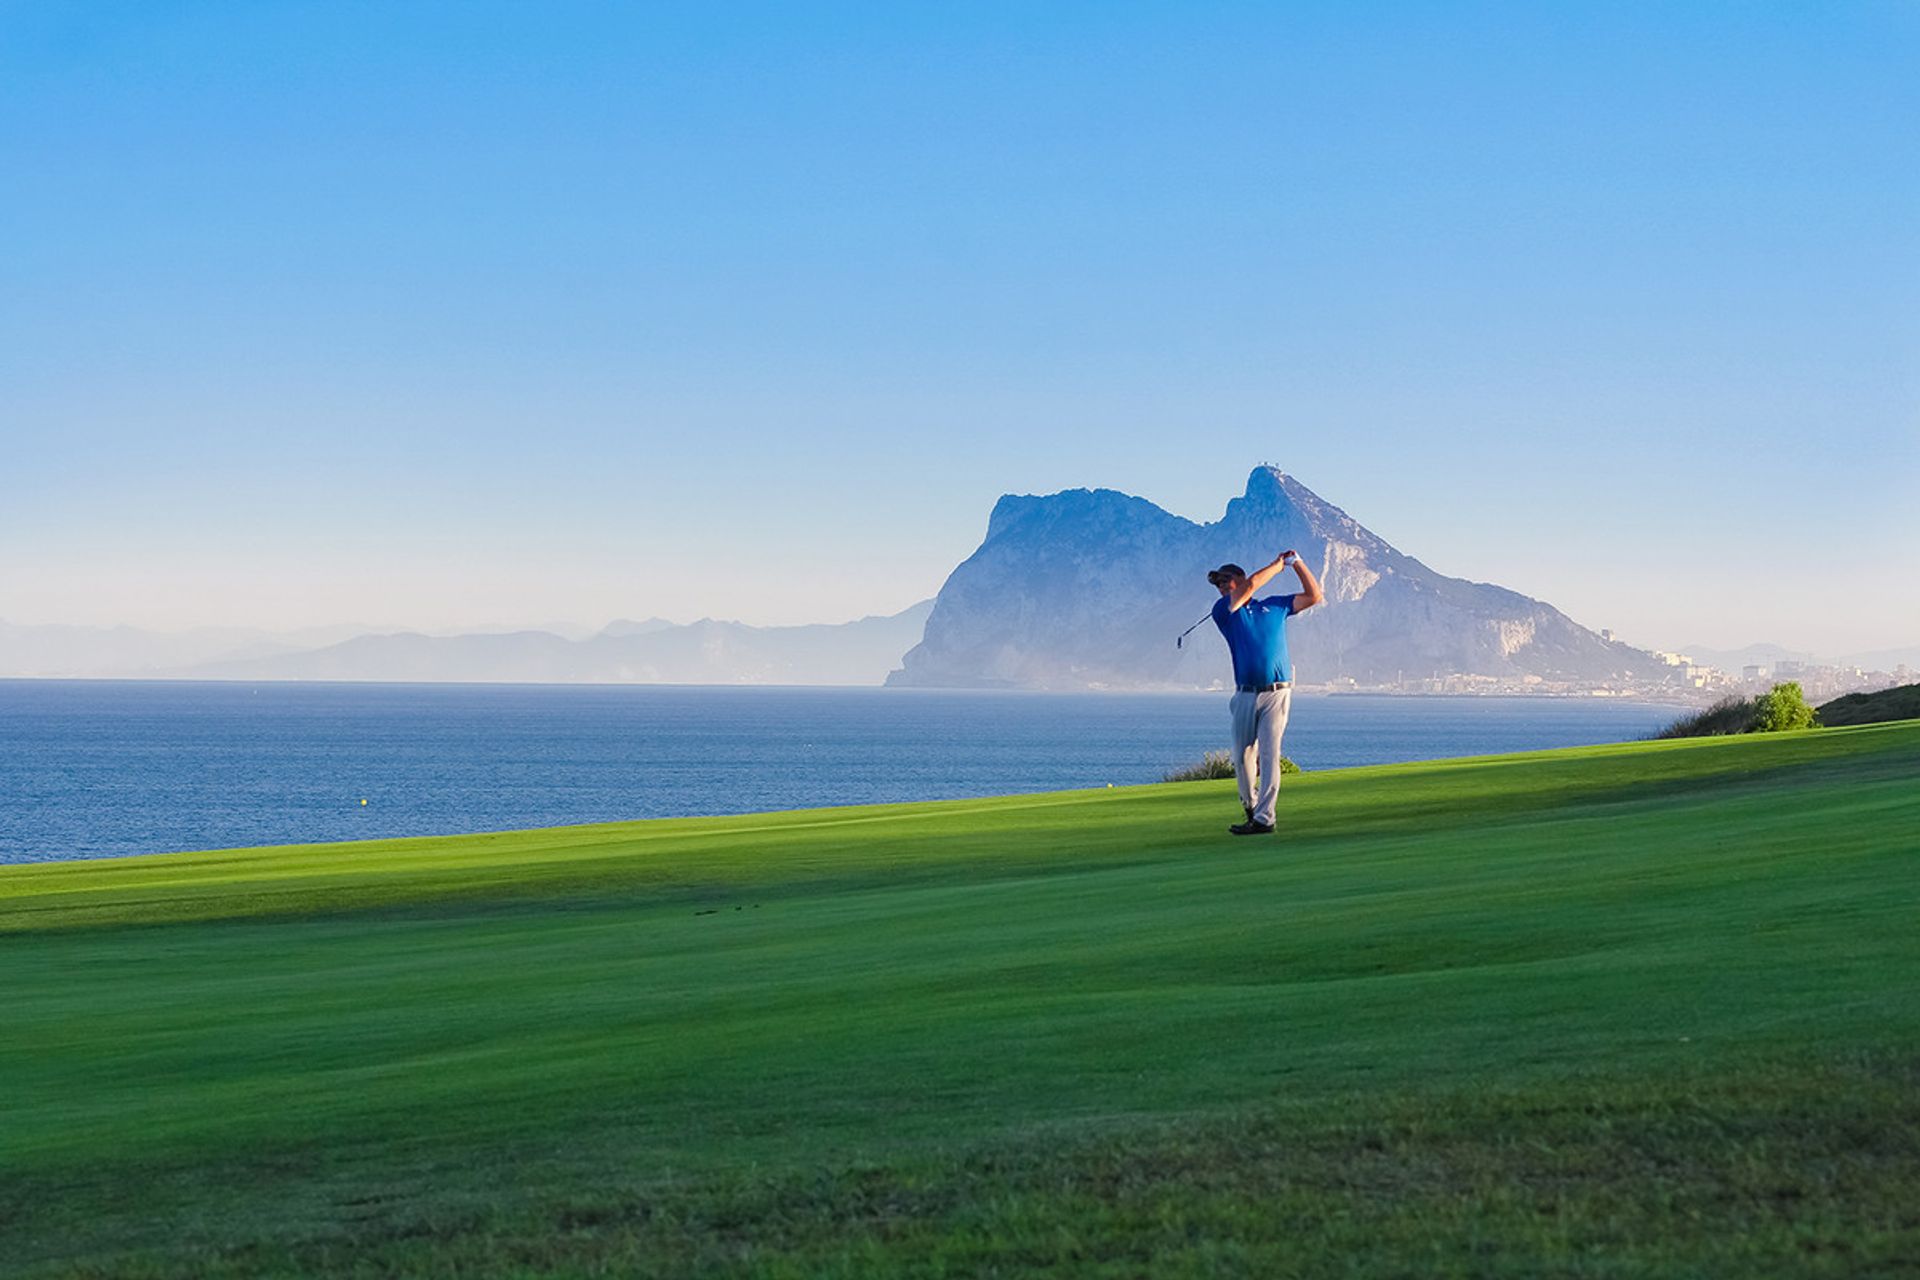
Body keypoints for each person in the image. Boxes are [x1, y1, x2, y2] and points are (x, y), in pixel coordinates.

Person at [1207, 550, 1324, 835]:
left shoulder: (1276, 606)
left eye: (1226, 581)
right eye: (1218, 583)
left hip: (1277, 692)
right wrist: (1277, 565)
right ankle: (1251, 806)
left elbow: (1314, 595)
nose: (1222, 587)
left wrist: (1296, 563)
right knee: (1243, 756)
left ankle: (1264, 818)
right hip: (1245, 694)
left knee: (1271, 754)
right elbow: (1251, 587)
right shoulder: (1224, 610)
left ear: (1239, 577)